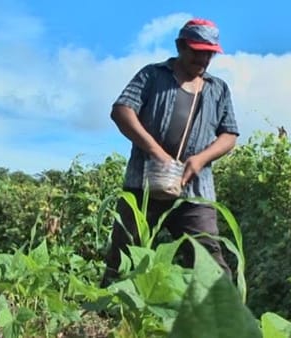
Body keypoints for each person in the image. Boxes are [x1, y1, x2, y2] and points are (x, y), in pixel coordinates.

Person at [101, 18, 239, 287]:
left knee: (209, 260)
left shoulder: (218, 89)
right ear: (180, 46)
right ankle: (110, 318)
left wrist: (199, 160)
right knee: (124, 257)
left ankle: (219, 322)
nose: (202, 59)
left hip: (195, 192)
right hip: (143, 185)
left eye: (208, 53)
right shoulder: (152, 76)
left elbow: (229, 134)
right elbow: (122, 110)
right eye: (196, 51)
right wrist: (156, 152)